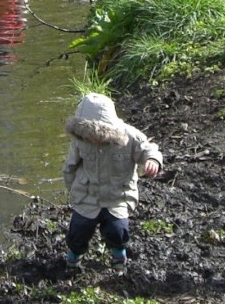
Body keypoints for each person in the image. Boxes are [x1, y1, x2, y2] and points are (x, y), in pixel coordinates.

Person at [62, 92, 162, 274]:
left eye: (95, 134)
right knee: (78, 230)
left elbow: (148, 149)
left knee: (117, 230)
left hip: (118, 196)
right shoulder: (80, 140)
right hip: (88, 196)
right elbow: (70, 166)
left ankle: (118, 254)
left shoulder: (129, 136)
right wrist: (73, 190)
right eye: (86, 134)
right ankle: (75, 254)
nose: (91, 138)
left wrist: (152, 160)